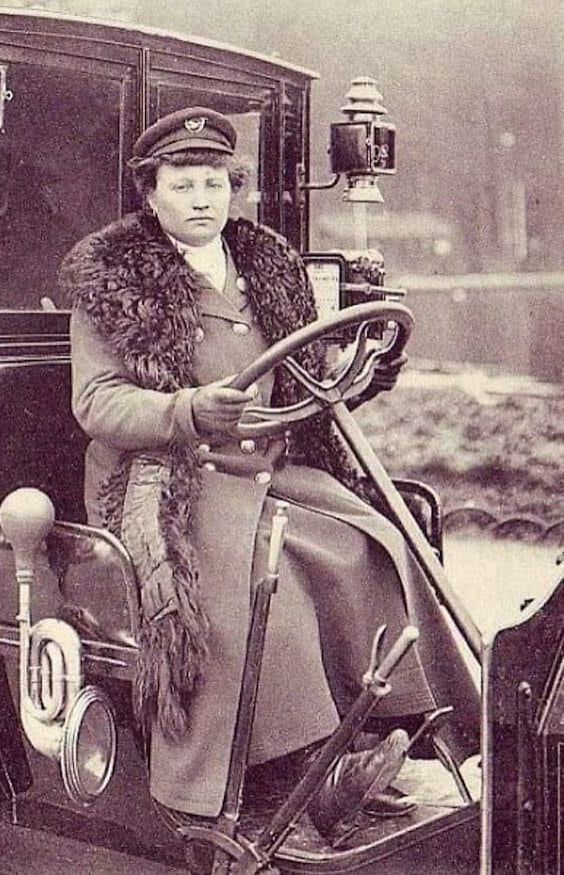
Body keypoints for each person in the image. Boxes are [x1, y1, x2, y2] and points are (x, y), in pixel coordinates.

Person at [59, 107, 480, 833]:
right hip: (168, 479)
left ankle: (380, 738)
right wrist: (188, 409)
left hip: (267, 469)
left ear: (233, 188)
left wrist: (367, 371)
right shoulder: (114, 282)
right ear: (151, 195)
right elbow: (97, 402)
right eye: (183, 185)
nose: (201, 199)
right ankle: (301, 773)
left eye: (214, 183)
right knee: (266, 585)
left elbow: (308, 379)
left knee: (372, 546)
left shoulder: (267, 266)